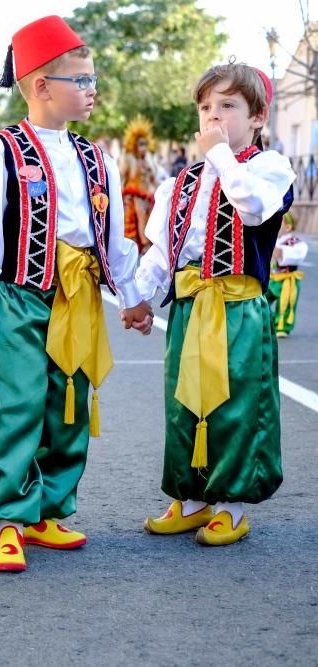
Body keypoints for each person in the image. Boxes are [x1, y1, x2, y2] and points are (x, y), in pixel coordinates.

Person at [0, 15, 152, 573]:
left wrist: (131, 295)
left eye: (92, 80)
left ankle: (47, 511)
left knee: (70, 403)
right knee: (20, 403)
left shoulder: (96, 158)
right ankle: (9, 521)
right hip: (21, 295)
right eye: (82, 80)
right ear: (41, 87)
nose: (93, 90)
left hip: (79, 295)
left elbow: (111, 234)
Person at [135, 63, 294, 546]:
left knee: (234, 403)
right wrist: (138, 298)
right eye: (207, 108)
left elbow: (250, 208)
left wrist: (223, 156)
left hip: (238, 308)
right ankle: (192, 499)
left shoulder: (268, 168)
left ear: (258, 116)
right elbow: (164, 249)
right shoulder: (179, 183)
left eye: (228, 106)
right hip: (189, 308)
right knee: (184, 403)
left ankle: (230, 504)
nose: (214, 117)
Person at [120, 117, 161, 253]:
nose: (143, 147)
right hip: (132, 195)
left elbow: (154, 179)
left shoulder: (149, 161)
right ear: (135, 145)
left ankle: (148, 242)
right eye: (140, 144)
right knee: (140, 212)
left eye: (144, 144)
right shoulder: (129, 160)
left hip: (147, 195)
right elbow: (122, 177)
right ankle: (143, 242)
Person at [268, 213, 308, 338]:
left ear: (288, 227)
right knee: (262, 299)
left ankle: (282, 326)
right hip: (273, 279)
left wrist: (280, 252)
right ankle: (267, 321)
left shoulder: (294, 242)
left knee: (285, 304)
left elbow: (300, 253)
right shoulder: (275, 239)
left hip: (287, 281)